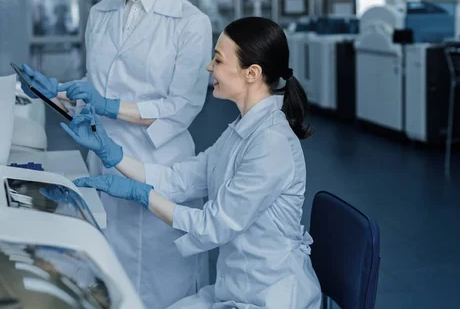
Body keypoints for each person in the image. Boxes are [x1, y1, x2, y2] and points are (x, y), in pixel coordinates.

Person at [18, 0, 212, 307]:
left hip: (160, 164)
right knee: (109, 278)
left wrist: (108, 105)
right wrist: (57, 95)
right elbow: (97, 89)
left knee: (162, 286)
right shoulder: (101, 15)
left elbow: (181, 107)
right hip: (103, 161)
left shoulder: (190, 23)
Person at [62, 17, 323, 309]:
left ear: (251, 73)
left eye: (218, 60)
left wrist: (144, 196)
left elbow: (214, 224)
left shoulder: (270, 143)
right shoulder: (242, 129)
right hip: (236, 287)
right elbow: (181, 178)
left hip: (269, 296)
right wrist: (112, 154)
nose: (209, 67)